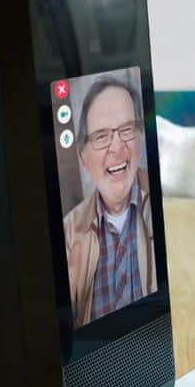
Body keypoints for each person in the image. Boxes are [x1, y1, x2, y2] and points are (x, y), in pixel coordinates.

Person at [63, 77, 157, 329]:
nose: (117, 147)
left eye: (126, 130)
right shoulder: (67, 232)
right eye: (101, 136)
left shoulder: (162, 206)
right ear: (83, 157)